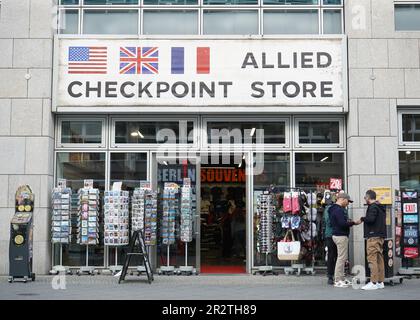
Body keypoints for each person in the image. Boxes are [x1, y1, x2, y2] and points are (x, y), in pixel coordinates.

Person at [329, 192, 361, 288]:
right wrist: (353, 222)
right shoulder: (338, 210)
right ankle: (338, 280)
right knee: (341, 258)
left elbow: (339, 222)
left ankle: (341, 278)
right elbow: (342, 223)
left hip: (337, 235)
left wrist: (348, 221)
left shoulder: (333, 208)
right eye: (348, 201)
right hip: (340, 235)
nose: (348, 203)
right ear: (342, 199)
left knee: (342, 258)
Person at [360, 190, 387, 290]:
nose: (364, 199)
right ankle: (380, 282)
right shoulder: (380, 207)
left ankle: (373, 282)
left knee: (372, 259)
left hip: (373, 236)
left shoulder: (373, 207)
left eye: (365, 197)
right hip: (380, 236)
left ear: (368, 197)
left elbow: (371, 219)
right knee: (379, 259)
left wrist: (363, 218)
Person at [322, 203, 337, 285]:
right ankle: (330, 275)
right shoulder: (328, 209)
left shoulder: (342, 208)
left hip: (339, 234)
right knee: (331, 255)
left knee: (338, 255)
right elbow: (328, 221)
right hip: (330, 234)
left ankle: (337, 275)